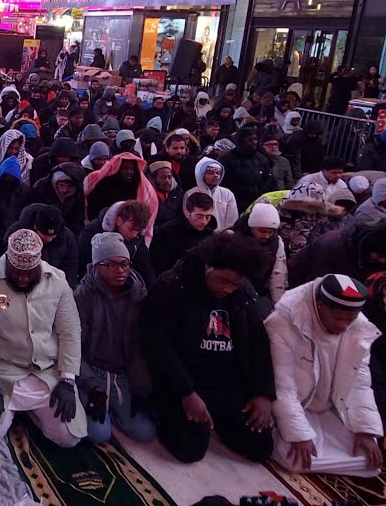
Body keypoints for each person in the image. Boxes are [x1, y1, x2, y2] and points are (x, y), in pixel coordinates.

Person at [142, 231, 276, 463]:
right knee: (190, 449)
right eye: (223, 281)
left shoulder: (242, 294)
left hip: (225, 384)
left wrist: (262, 393)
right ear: (208, 267)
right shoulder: (173, 286)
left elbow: (258, 344)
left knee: (261, 447)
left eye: (235, 284)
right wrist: (186, 392)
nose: (228, 289)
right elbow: (158, 345)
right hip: (184, 382)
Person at [0, 229, 86, 446]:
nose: (22, 278)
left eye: (29, 273)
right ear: (7, 263)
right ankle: (15, 411)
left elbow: (70, 332)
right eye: (16, 272)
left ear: (38, 266)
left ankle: (31, 414)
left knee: (69, 438)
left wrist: (68, 380)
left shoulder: (58, 282)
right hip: (3, 372)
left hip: (46, 372)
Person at [266, 274, 384, 476]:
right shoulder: (283, 322)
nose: (343, 326)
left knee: (369, 461)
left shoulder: (358, 326)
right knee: (296, 460)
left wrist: (364, 429)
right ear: (320, 306)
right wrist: (299, 434)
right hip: (293, 405)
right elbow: (283, 385)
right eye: (338, 319)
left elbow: (359, 383)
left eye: (350, 320)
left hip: (329, 409)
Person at [74, 232, 156, 444]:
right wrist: (91, 386)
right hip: (93, 372)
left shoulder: (138, 294)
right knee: (98, 434)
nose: (120, 270)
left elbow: (142, 346)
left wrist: (142, 383)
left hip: (123, 375)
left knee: (145, 432)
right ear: (96, 266)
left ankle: (115, 409)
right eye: (111, 264)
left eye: (124, 264)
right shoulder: (83, 296)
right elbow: (73, 348)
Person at [150, 189, 218, 276]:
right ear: (187, 213)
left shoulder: (212, 237)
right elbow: (158, 265)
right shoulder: (166, 232)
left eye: (208, 217)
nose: (204, 222)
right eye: (199, 216)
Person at [218, 127, 277, 209]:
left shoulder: (261, 159)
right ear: (240, 142)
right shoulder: (226, 159)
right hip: (234, 205)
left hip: (259, 205)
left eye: (255, 139)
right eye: (249, 140)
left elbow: (270, 181)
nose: (254, 142)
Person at [195, 157, 238, 232]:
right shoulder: (191, 193)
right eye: (211, 173)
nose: (215, 175)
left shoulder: (227, 194)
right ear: (201, 174)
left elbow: (232, 221)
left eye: (218, 173)